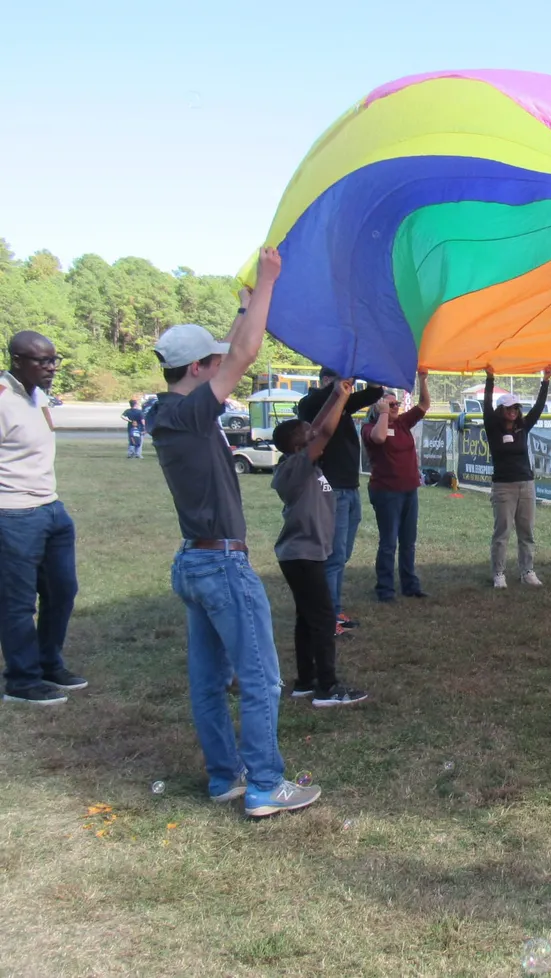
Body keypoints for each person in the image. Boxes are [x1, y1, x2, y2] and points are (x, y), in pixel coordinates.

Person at [150, 249, 321, 818]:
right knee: (259, 680)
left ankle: (225, 776)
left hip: (194, 566)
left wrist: (247, 306)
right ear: (198, 370)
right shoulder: (193, 414)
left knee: (207, 683)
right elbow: (244, 353)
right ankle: (267, 786)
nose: (221, 368)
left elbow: (228, 349)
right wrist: (270, 280)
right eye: (211, 364)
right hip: (221, 566)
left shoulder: (165, 411)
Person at [271, 378, 369, 707]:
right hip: (303, 554)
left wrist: (336, 393)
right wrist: (341, 395)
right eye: (305, 431)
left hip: (303, 553)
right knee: (325, 619)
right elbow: (323, 432)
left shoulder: (300, 462)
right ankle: (327, 688)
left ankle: (305, 681)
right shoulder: (298, 466)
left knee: (306, 618)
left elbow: (317, 428)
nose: (312, 430)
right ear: (298, 446)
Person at [0, 331, 85, 705]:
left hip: (51, 508)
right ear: (17, 361)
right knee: (18, 602)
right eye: (42, 361)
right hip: (13, 513)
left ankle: (49, 662)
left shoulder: (38, 394)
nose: (51, 367)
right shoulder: (3, 398)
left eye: (54, 360)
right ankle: (21, 680)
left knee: (62, 591)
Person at [296, 368, 386, 634]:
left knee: (341, 554)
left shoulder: (344, 402)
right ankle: (328, 615)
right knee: (333, 556)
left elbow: (376, 392)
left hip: (349, 486)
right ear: (325, 381)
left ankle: (332, 610)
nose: (347, 386)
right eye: (341, 380)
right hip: (331, 488)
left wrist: (365, 366)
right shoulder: (311, 402)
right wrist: (338, 388)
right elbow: (317, 408)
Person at [362, 373, 430, 602]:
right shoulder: (370, 426)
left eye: (396, 404)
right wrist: (382, 413)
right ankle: (385, 589)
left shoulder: (402, 423)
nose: (395, 407)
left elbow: (423, 405)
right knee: (389, 542)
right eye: (390, 404)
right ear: (379, 406)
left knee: (408, 541)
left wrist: (423, 380)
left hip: (409, 489)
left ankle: (410, 585)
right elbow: (379, 438)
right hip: (386, 492)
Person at [483, 366, 551, 588]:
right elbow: (486, 407)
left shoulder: (523, 427)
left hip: (526, 484)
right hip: (503, 487)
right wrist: (490, 379)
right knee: (502, 532)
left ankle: (527, 571)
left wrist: (546, 381)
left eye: (516, 407)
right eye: (509, 407)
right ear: (501, 410)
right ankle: (498, 574)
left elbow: (539, 408)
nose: (513, 411)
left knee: (527, 532)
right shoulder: (493, 428)